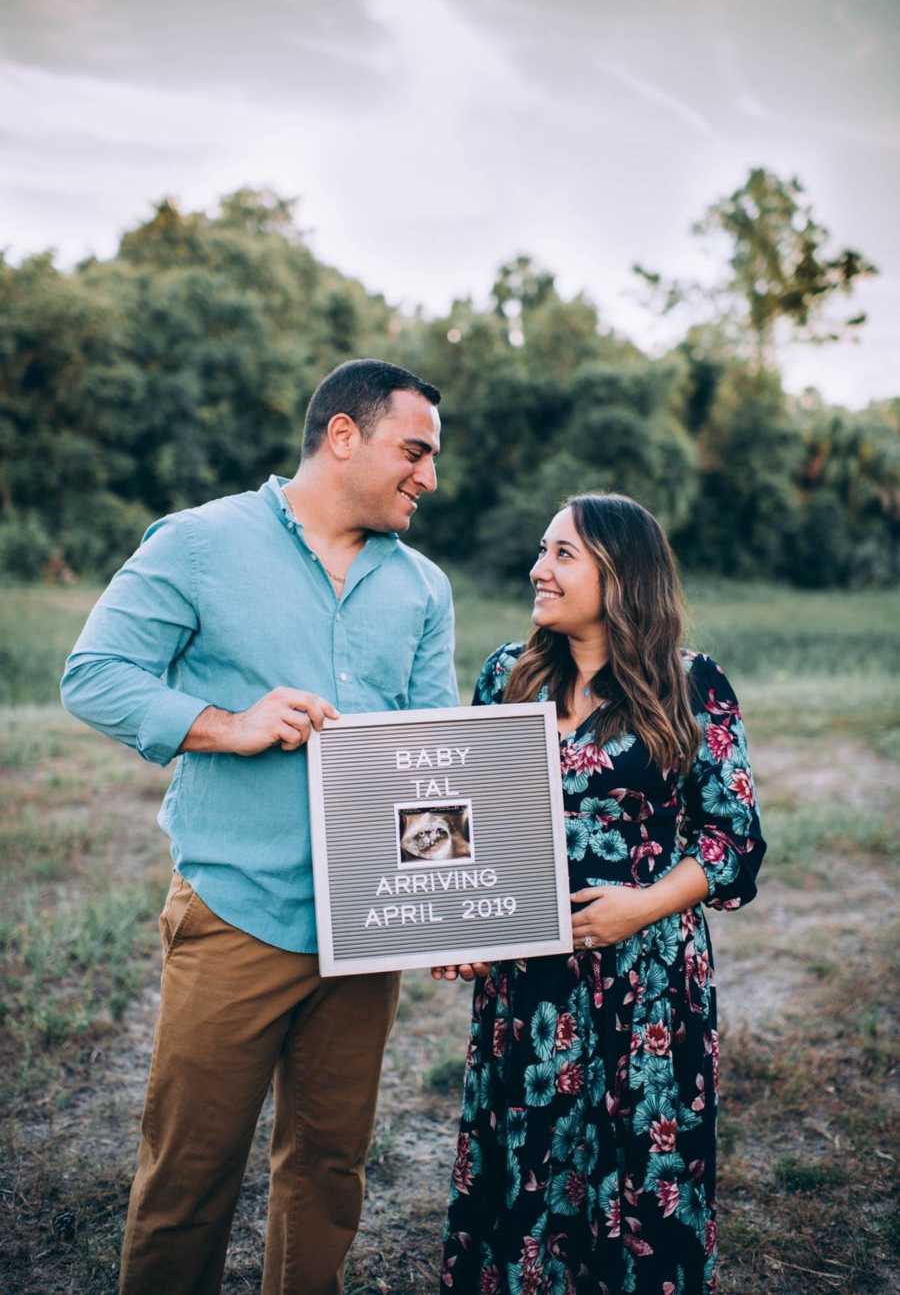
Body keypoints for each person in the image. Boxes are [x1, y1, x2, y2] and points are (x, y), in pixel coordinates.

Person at [60, 358, 458, 1295]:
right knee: (189, 1180)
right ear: (343, 436)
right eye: (416, 451)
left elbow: (436, 756)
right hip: (235, 913)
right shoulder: (201, 542)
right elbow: (95, 673)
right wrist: (225, 727)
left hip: (367, 933)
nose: (430, 478)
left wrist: (446, 912)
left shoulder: (424, 589)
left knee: (328, 1173)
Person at [433, 493, 765, 1295]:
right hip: (530, 985)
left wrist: (641, 906)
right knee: (529, 1172)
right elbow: (464, 821)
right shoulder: (507, 674)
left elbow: (734, 843)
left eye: (562, 555)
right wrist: (461, 926)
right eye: (542, 551)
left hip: (647, 985)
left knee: (639, 1180)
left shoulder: (692, 683)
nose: (538, 569)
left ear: (621, 574)